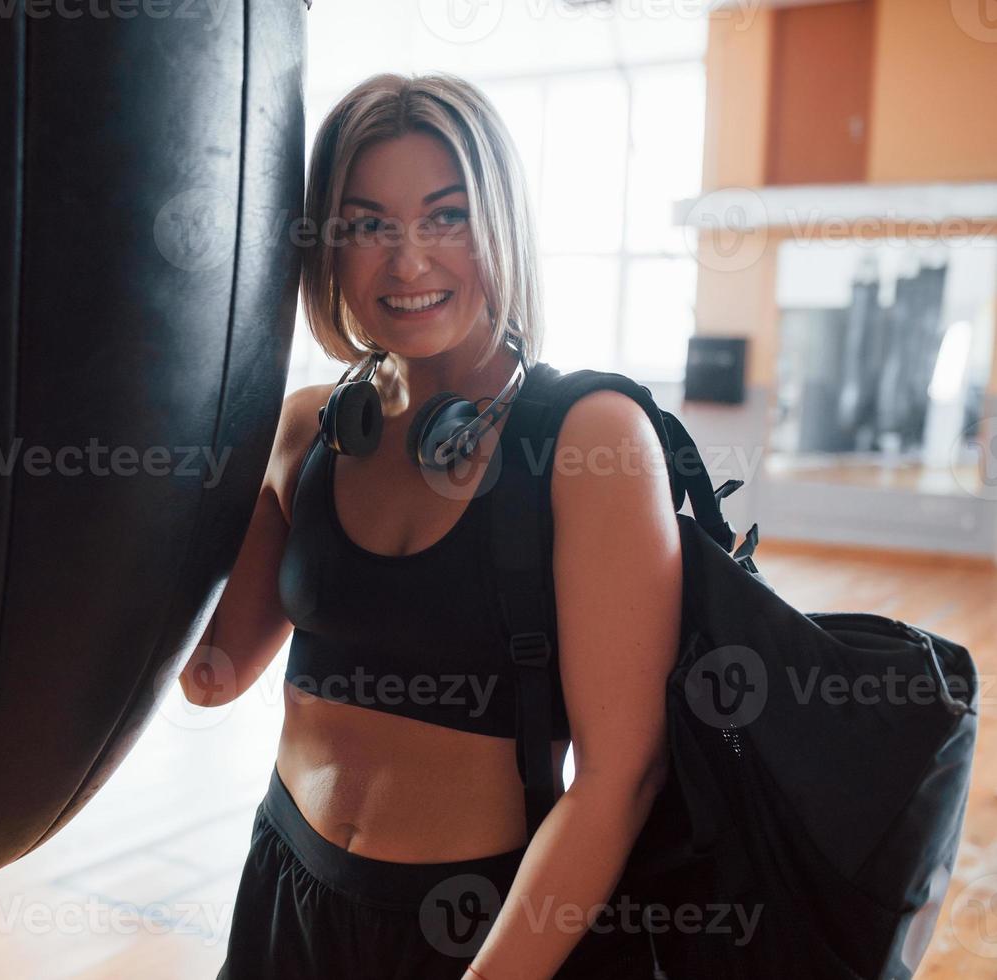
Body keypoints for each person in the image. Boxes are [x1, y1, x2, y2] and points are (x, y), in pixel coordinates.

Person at [179, 71, 684, 980]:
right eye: (368, 224)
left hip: (478, 929)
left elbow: (622, 780)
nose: (407, 262)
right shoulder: (308, 430)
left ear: (498, 225)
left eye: (446, 217)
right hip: (287, 886)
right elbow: (209, 679)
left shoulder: (591, 441)